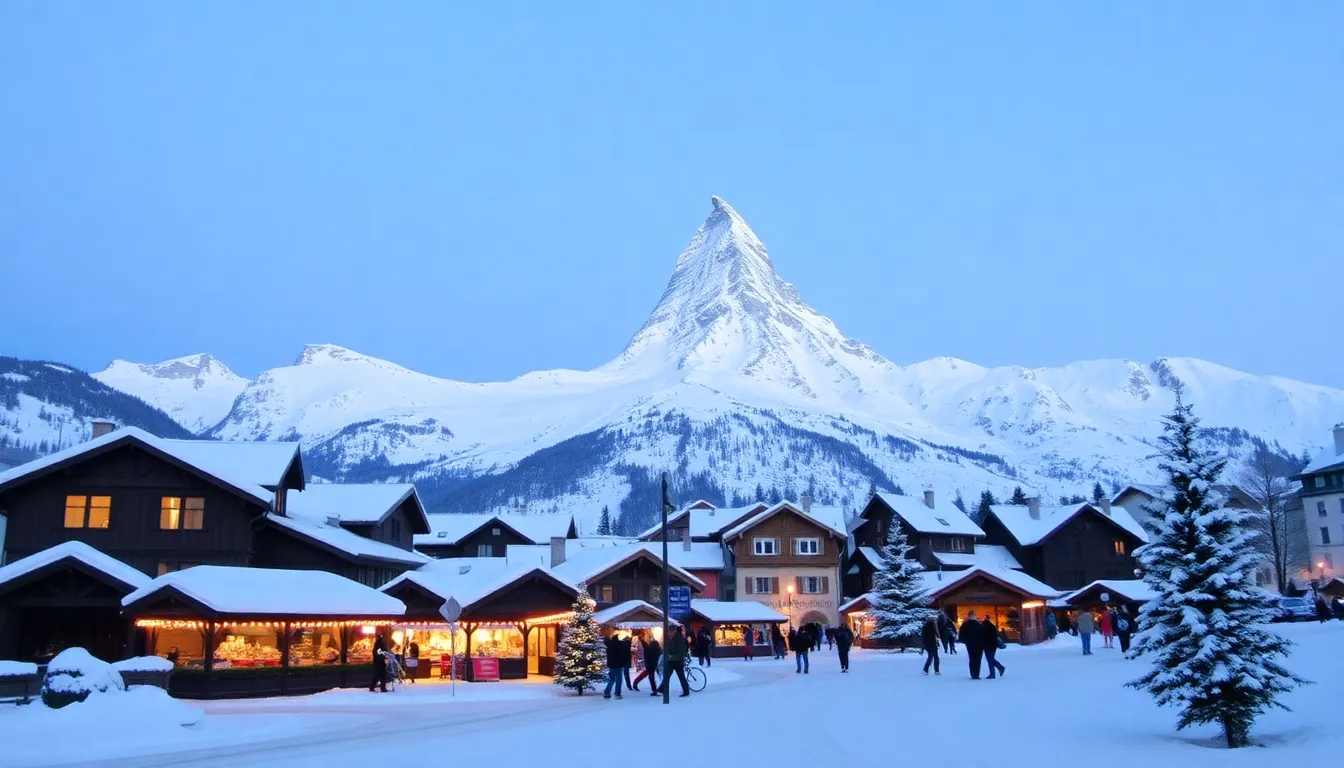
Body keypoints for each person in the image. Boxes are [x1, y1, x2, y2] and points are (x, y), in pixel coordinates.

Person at [659, 627, 690, 698]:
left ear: (674, 631)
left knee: (681, 676)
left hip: (678, 661)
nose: (669, 633)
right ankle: (661, 690)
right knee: (667, 676)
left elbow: (680, 651)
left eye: (670, 631)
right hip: (672, 661)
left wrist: (671, 655)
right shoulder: (671, 638)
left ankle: (686, 691)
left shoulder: (679, 639)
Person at [603, 632, 630, 699]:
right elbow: (623, 654)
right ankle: (617, 693)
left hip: (611, 665)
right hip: (618, 665)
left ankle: (607, 692)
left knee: (612, 679)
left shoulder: (609, 645)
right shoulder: (620, 645)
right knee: (619, 679)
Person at [958, 612, 984, 679]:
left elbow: (961, 636)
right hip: (978, 644)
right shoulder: (979, 625)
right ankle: (976, 674)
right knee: (977, 659)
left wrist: (966, 641)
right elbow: (983, 634)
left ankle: (973, 674)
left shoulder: (965, 625)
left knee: (972, 658)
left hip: (970, 644)